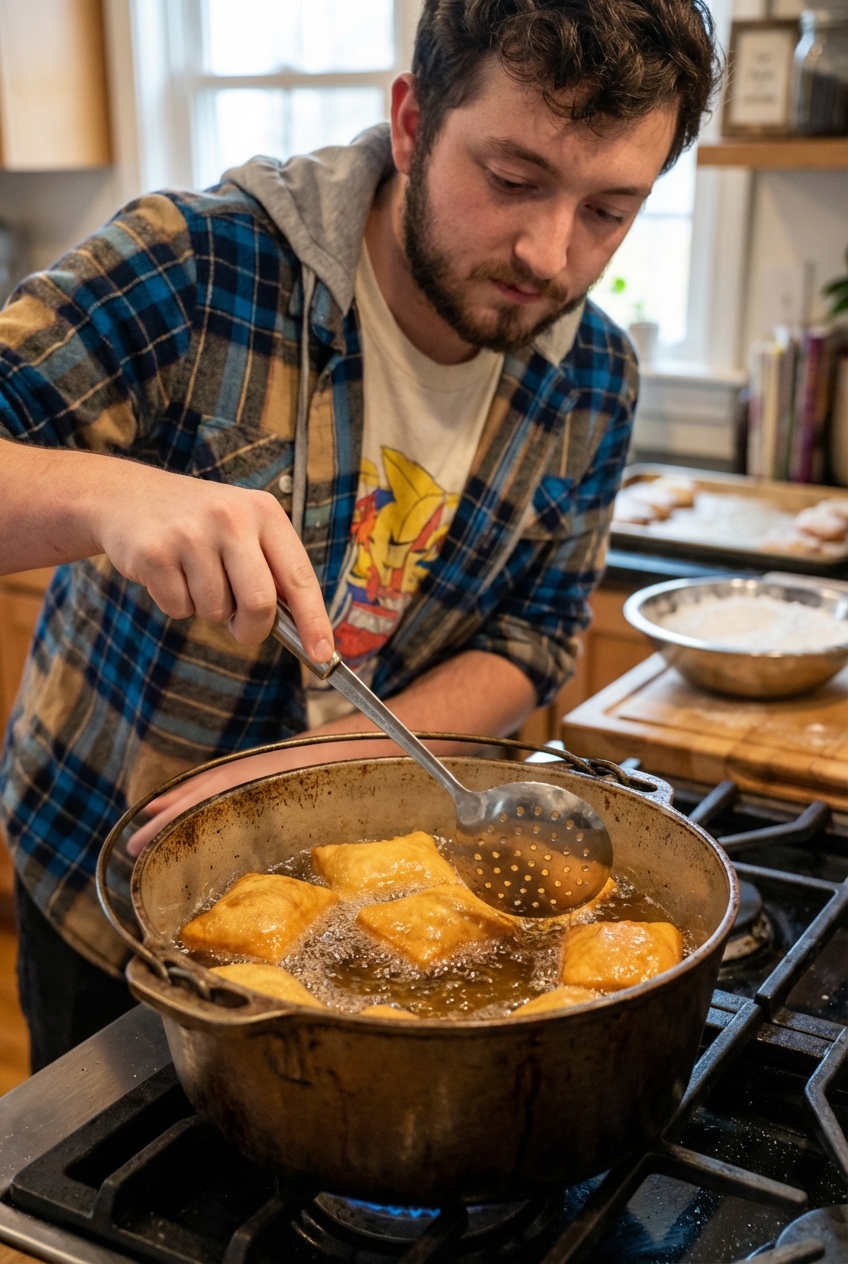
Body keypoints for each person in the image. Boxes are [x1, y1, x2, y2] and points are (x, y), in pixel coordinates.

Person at [0, 0, 719, 1069]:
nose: (548, 252)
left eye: (610, 210)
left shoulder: (594, 379)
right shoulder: (198, 267)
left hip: (379, 925)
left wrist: (292, 774)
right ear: (412, 122)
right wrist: (113, 495)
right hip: (107, 888)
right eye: (512, 179)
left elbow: (532, 637)